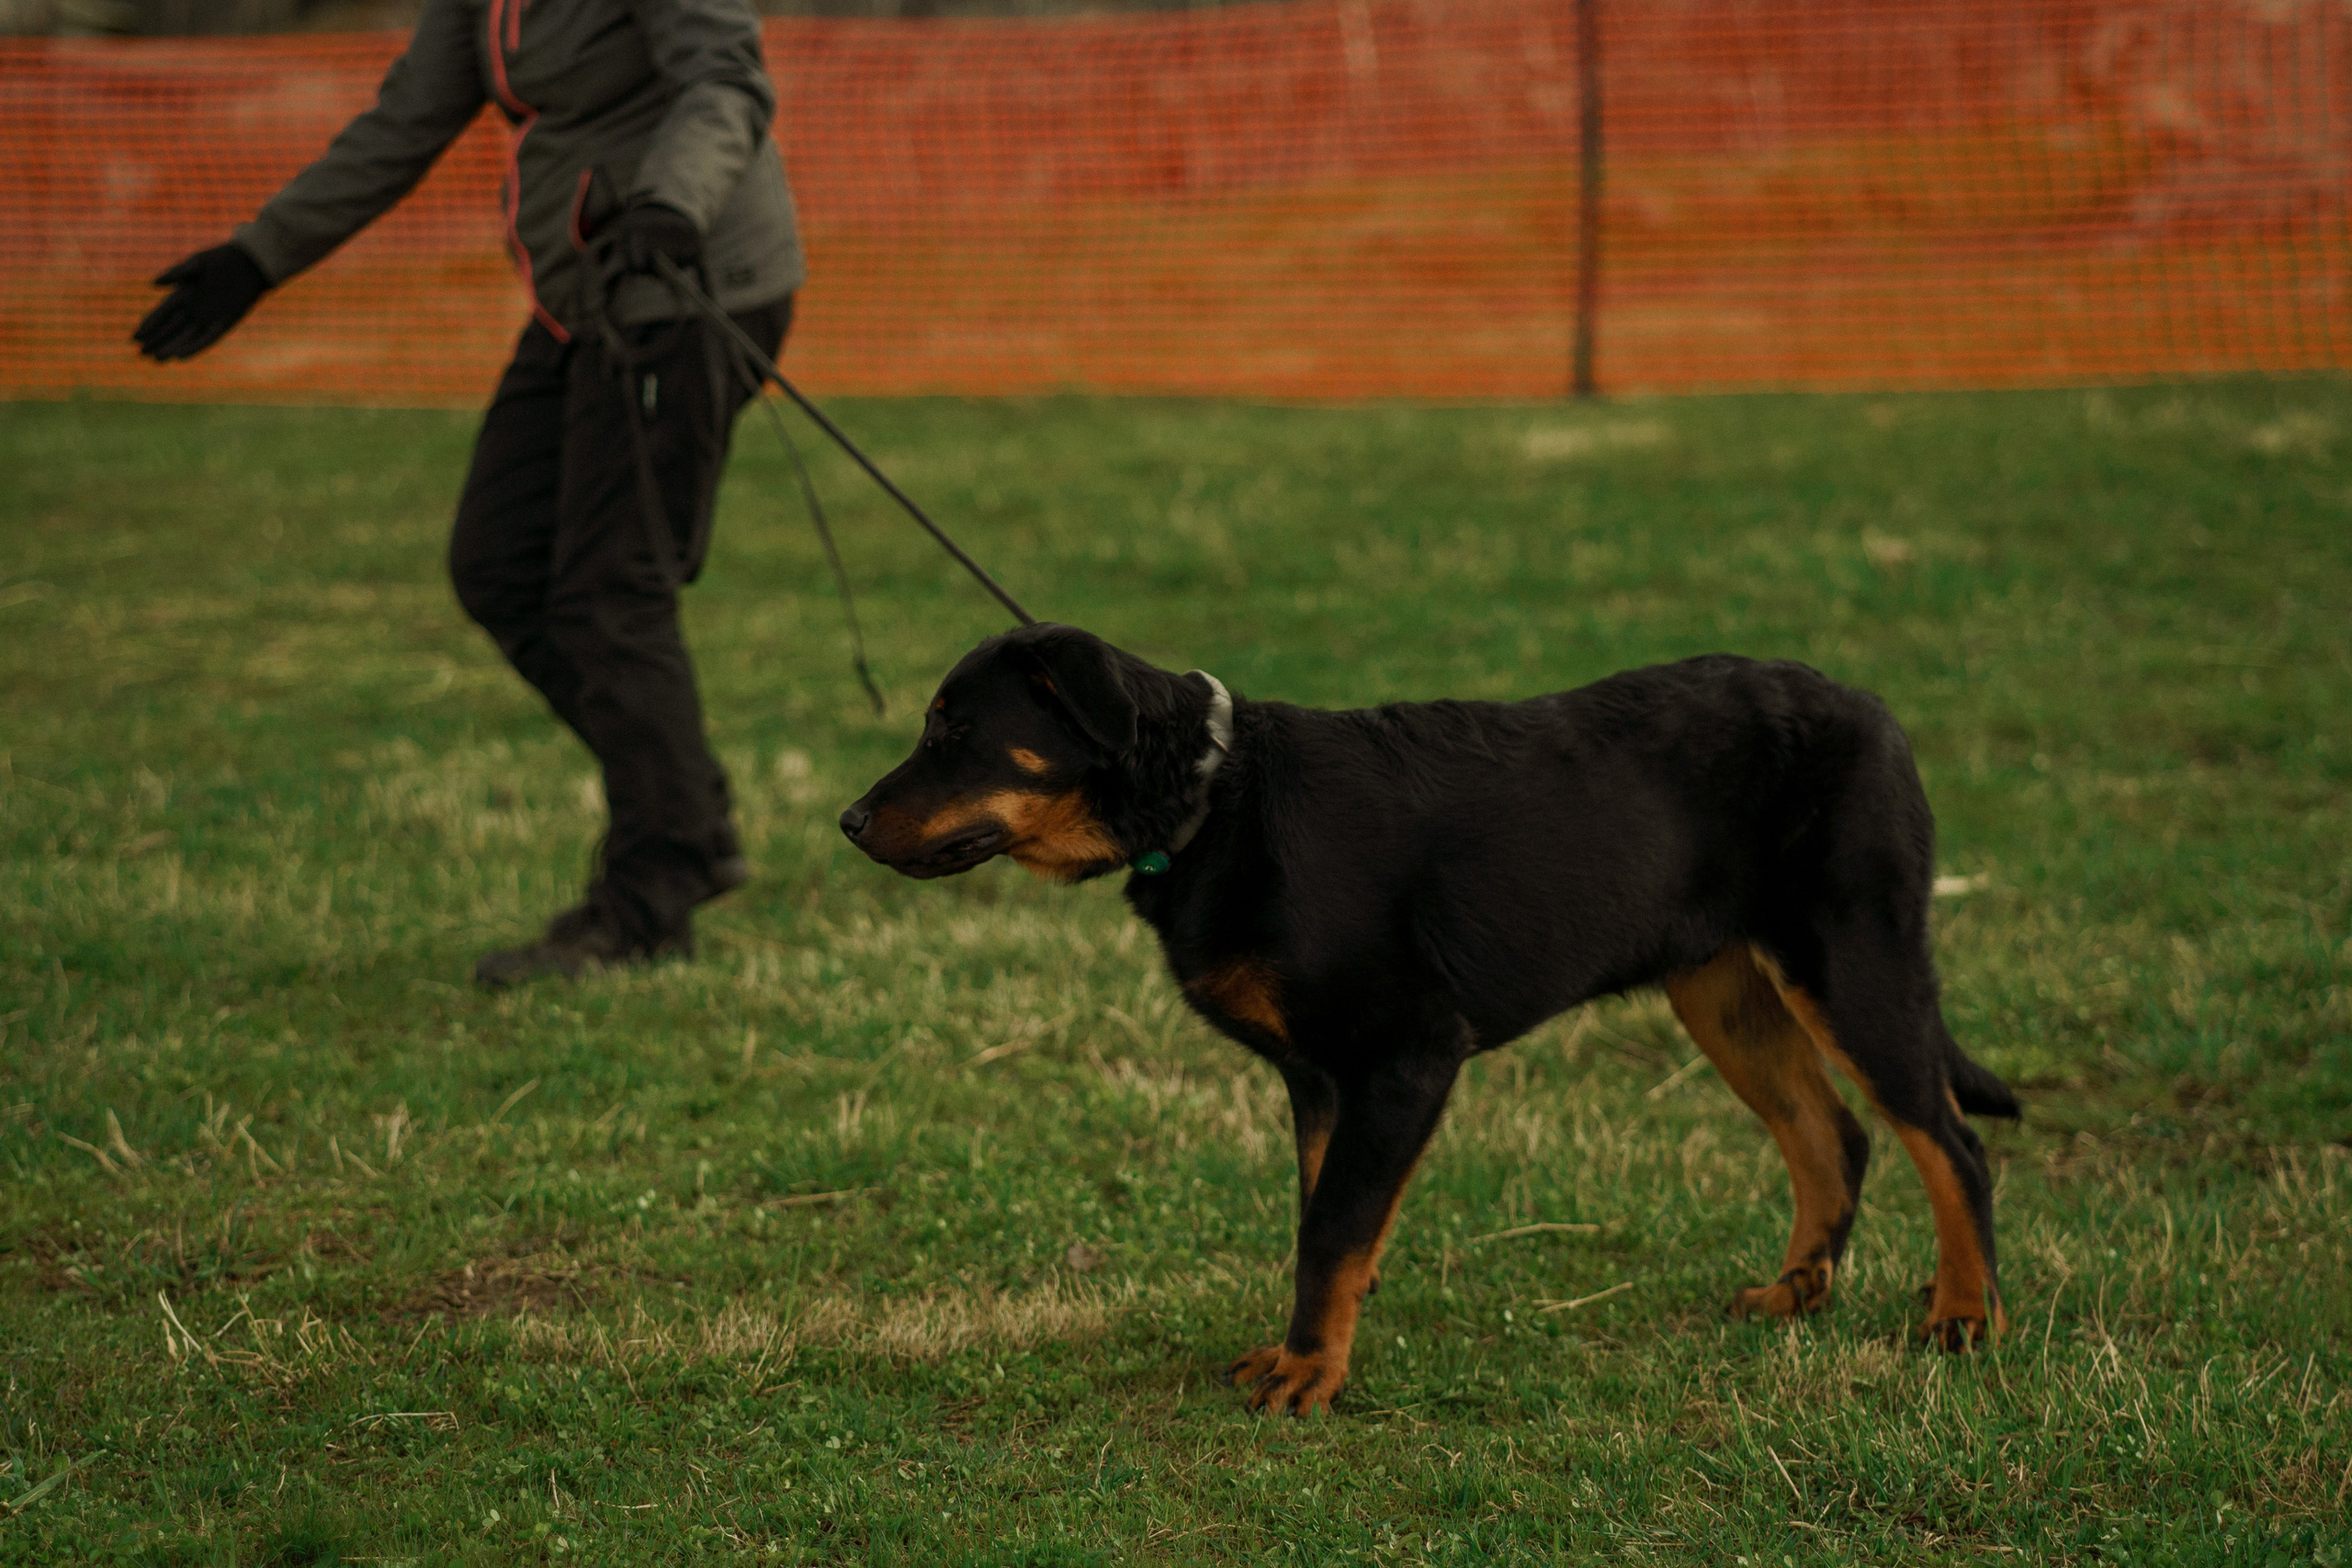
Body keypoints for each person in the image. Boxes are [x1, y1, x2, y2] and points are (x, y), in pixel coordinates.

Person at [132, 0, 805, 987]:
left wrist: (670, 201)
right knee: (499, 565)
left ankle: (651, 897)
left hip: (688, 278)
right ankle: (683, 813)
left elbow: (726, 81)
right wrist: (260, 255)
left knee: (609, 594)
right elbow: (403, 124)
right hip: (583, 292)